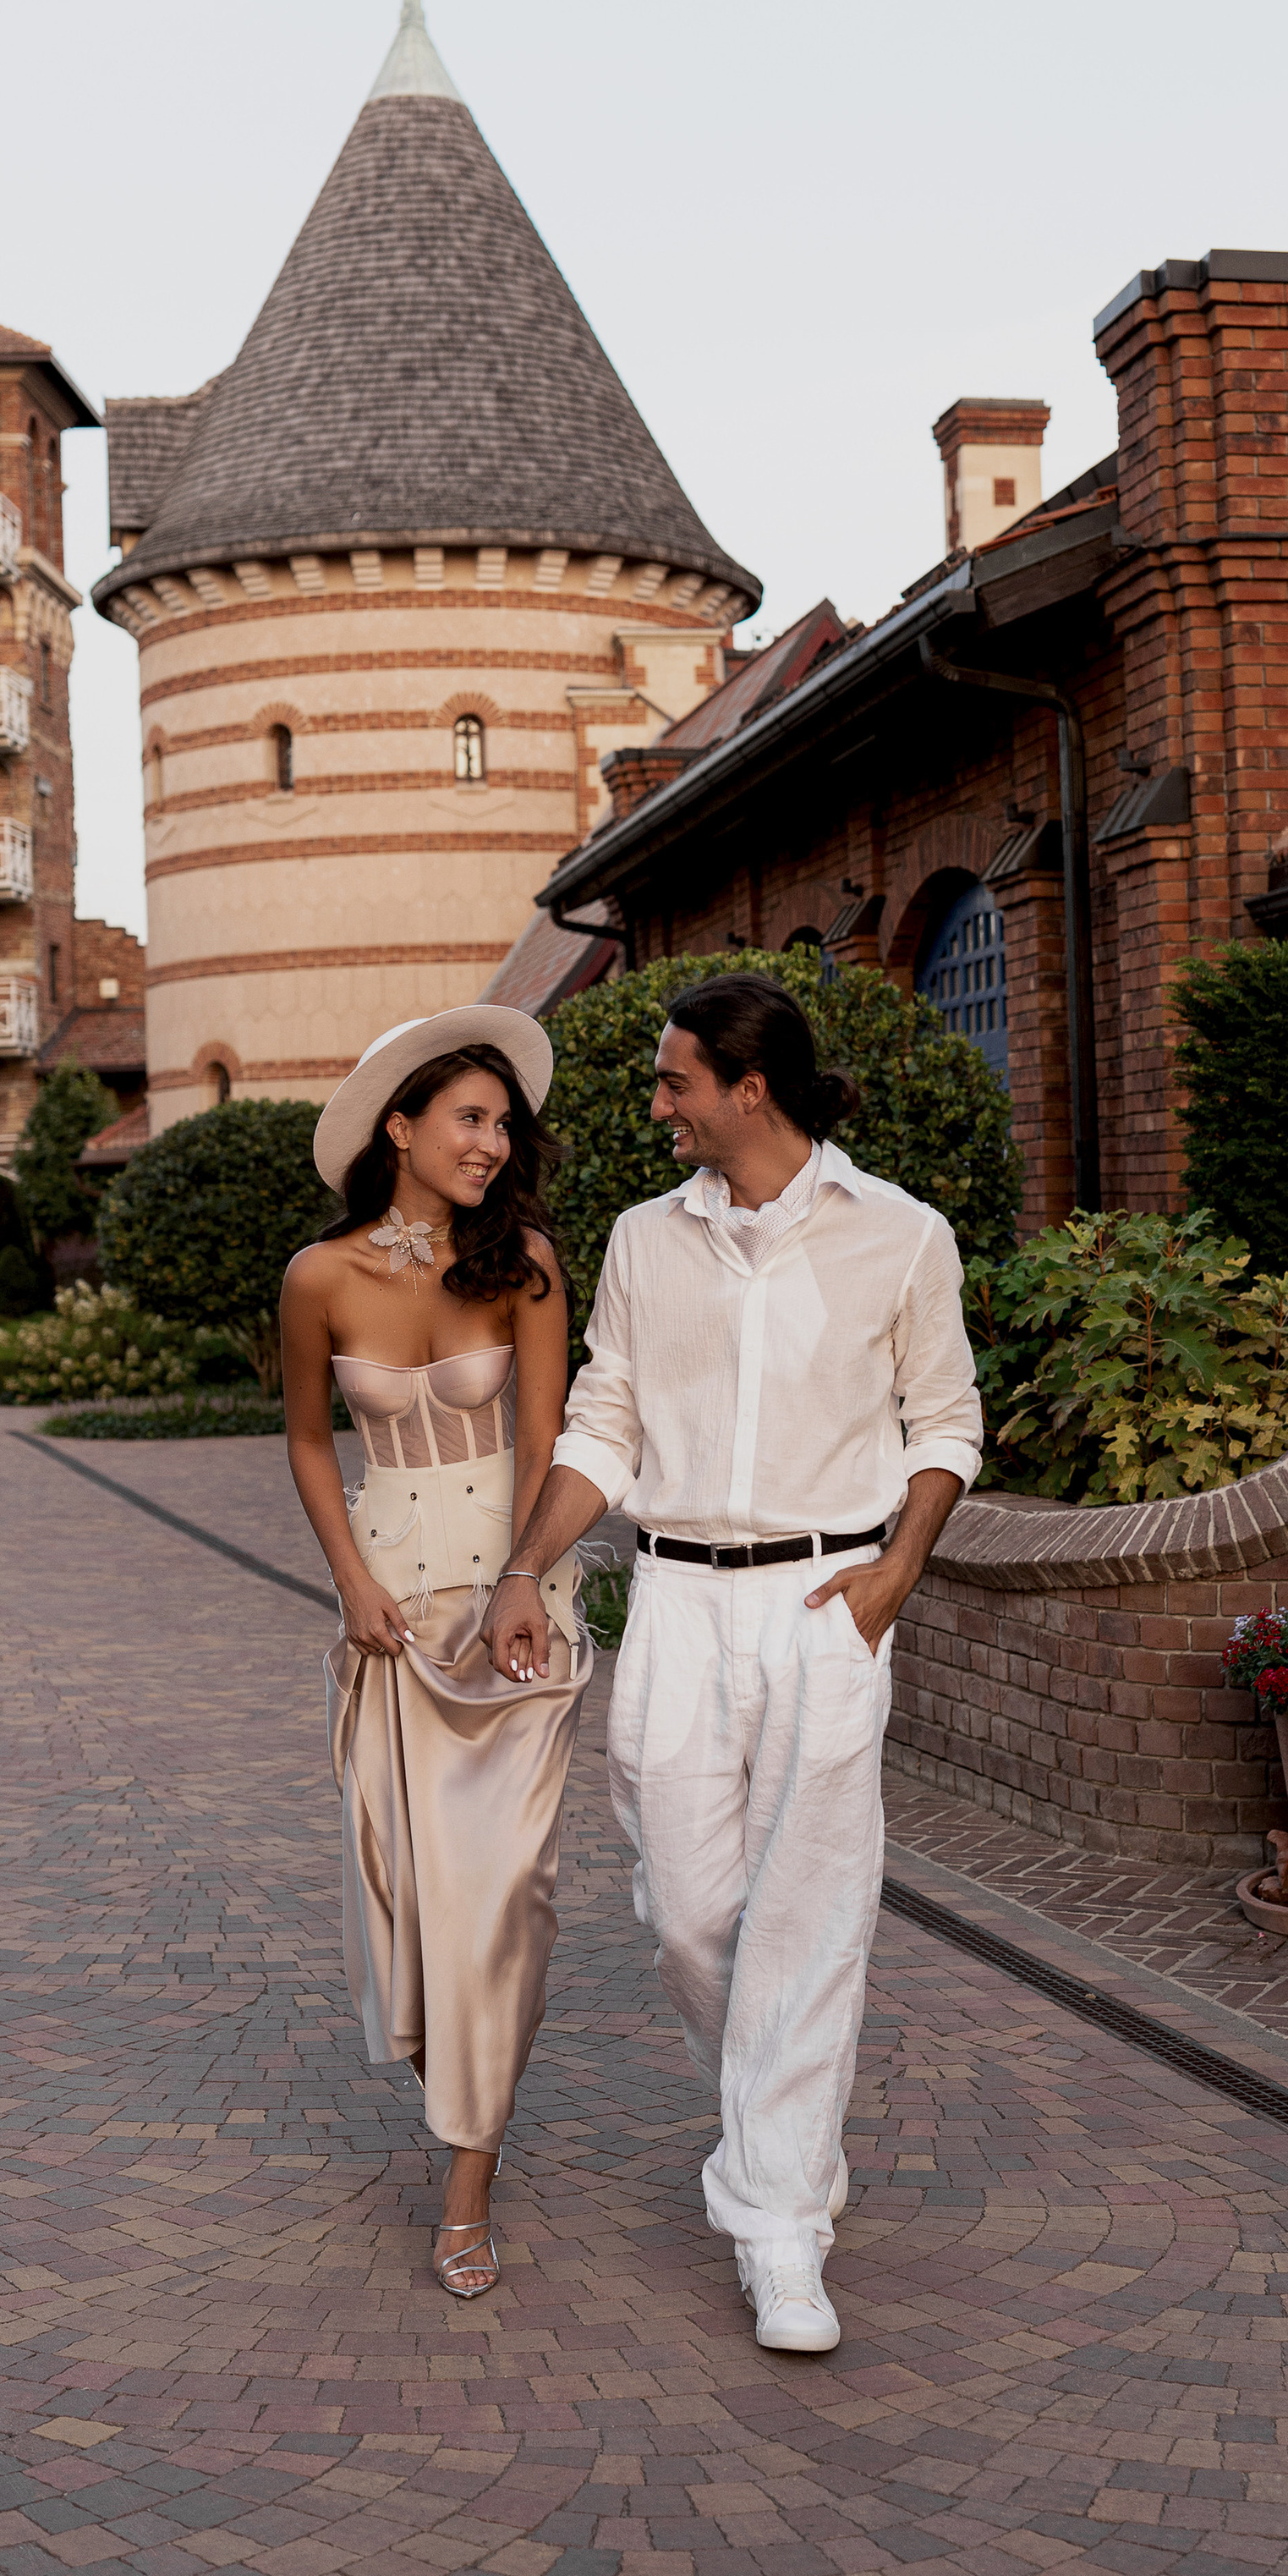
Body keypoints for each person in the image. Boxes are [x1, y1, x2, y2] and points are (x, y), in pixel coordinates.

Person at [485, 974, 982, 2352]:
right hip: (679, 1607)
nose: (657, 1106)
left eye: (673, 1083)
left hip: (828, 1601)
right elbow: (602, 1427)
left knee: (809, 1919)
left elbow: (946, 1421)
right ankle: (788, 2148)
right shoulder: (649, 1242)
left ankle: (781, 2237)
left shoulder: (903, 1235)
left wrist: (897, 1573)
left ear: (747, 1089)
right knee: (694, 1912)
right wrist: (528, 1568)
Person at [282, 1010, 592, 2299]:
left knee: (501, 1899)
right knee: (408, 1901)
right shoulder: (320, 1277)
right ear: (399, 1128)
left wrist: (526, 1577)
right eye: (470, 1115)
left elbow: (547, 1438)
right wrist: (349, 1581)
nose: (493, 1139)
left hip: (512, 1617)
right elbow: (307, 1439)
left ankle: (468, 2183)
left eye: (503, 1120)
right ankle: (460, 2085)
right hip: (389, 1622)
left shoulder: (521, 1261)